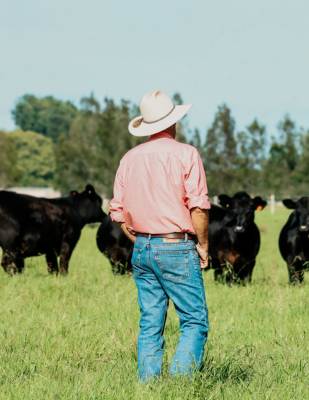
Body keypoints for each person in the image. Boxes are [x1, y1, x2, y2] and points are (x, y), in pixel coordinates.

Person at [109, 90, 210, 381]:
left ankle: (150, 385)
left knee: (150, 323)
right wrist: (202, 245)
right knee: (194, 321)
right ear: (173, 122)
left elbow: (117, 213)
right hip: (177, 246)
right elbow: (199, 207)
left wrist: (142, 242)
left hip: (142, 246)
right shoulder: (186, 153)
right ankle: (179, 384)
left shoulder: (129, 158)